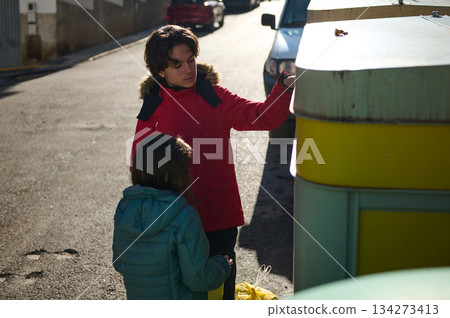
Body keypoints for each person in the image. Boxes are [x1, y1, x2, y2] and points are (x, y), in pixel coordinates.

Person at [131, 25, 295, 299]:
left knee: (221, 290)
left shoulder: (213, 95)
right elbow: (141, 168)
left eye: (191, 60)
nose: (188, 69)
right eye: (177, 64)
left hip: (219, 212)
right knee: (185, 289)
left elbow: (261, 116)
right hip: (176, 215)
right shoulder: (152, 107)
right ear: (160, 71)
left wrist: (283, 88)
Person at [113, 134, 232, 299]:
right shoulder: (184, 216)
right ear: (171, 175)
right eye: (184, 168)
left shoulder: (125, 209)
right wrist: (223, 265)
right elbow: (198, 278)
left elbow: (119, 263)